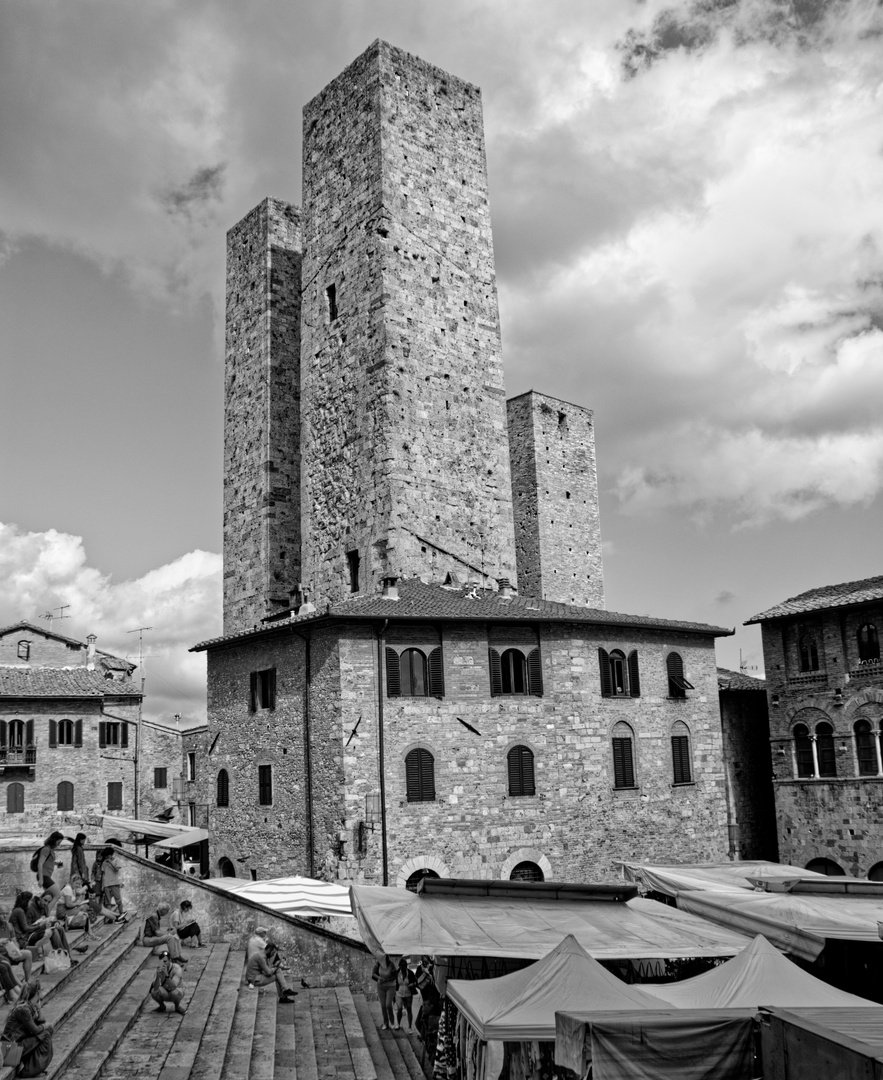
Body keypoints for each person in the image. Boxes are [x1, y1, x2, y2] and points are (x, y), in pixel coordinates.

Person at [2, 979, 54, 1077]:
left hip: (18, 1044)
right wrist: (45, 1026)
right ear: (38, 992)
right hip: (10, 1049)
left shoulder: (30, 1006)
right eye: (41, 989)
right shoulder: (23, 1009)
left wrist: (39, 1009)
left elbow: (41, 1022)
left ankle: (33, 1066)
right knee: (46, 1033)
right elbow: (35, 1030)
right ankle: (29, 1070)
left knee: (48, 1030)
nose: (43, 991)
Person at [244, 931, 297, 1003]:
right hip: (254, 979)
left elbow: (266, 969)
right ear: (268, 950)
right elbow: (268, 973)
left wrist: (275, 967)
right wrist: (275, 966)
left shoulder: (262, 954)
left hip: (256, 976)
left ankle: (285, 990)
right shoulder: (261, 957)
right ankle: (283, 996)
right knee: (277, 976)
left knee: (278, 970)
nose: (273, 955)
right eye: (273, 952)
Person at [25, 894, 77, 965]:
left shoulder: (44, 907)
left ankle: (68, 957)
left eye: (48, 902)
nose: (46, 903)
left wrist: (56, 922)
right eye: (45, 900)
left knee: (60, 928)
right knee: (54, 931)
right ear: (40, 898)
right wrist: (40, 925)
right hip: (31, 934)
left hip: (41, 930)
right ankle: (63, 957)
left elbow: (47, 921)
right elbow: (27, 928)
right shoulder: (30, 908)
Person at [0, 909, 34, 985]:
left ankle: (28, 981)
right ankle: (18, 986)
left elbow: (14, 941)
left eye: (6, 914)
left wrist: (16, 950)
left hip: (8, 952)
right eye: (2, 914)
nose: (5, 916)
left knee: (28, 953)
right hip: (1, 955)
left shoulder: (9, 926)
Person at [149, 949, 186, 1014]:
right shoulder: (159, 968)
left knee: (174, 993)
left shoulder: (177, 968)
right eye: (162, 961)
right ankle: (162, 1006)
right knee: (153, 991)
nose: (164, 963)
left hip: (177, 992)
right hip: (165, 991)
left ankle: (177, 1007)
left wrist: (166, 975)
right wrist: (158, 976)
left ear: (170, 960)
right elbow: (155, 987)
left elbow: (173, 987)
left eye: (165, 961)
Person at [35, 831, 65, 901]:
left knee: (49, 897)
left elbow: (48, 862)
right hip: (43, 876)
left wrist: (56, 864)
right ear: (54, 840)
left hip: (46, 876)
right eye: (58, 842)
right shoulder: (46, 849)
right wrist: (41, 879)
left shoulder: (50, 850)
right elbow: (40, 864)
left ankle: (43, 909)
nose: (59, 844)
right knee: (57, 894)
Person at [372, 952, 398, 1031]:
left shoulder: (391, 965)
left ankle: (392, 1021)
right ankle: (385, 1023)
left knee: (388, 1005)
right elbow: (373, 974)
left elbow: (394, 976)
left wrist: (386, 979)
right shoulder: (378, 964)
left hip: (390, 986)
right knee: (383, 1005)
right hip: (381, 986)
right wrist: (379, 978)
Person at [100, 846, 125, 916]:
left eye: (107, 856)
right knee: (108, 902)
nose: (106, 858)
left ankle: (121, 914)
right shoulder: (104, 863)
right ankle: (109, 918)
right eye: (105, 856)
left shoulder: (116, 860)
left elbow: (116, 869)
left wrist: (110, 862)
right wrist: (102, 885)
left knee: (118, 900)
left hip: (115, 883)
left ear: (111, 855)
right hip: (106, 884)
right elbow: (103, 874)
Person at [394, 956, 417, 1031]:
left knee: (409, 1009)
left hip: (408, 993)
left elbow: (416, 982)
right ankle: (398, 1024)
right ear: (399, 966)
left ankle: (410, 1027)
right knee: (399, 1008)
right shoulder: (397, 973)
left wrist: (412, 984)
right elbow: (393, 982)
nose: (403, 968)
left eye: (404, 966)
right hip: (399, 993)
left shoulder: (410, 973)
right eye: (402, 966)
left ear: (406, 966)